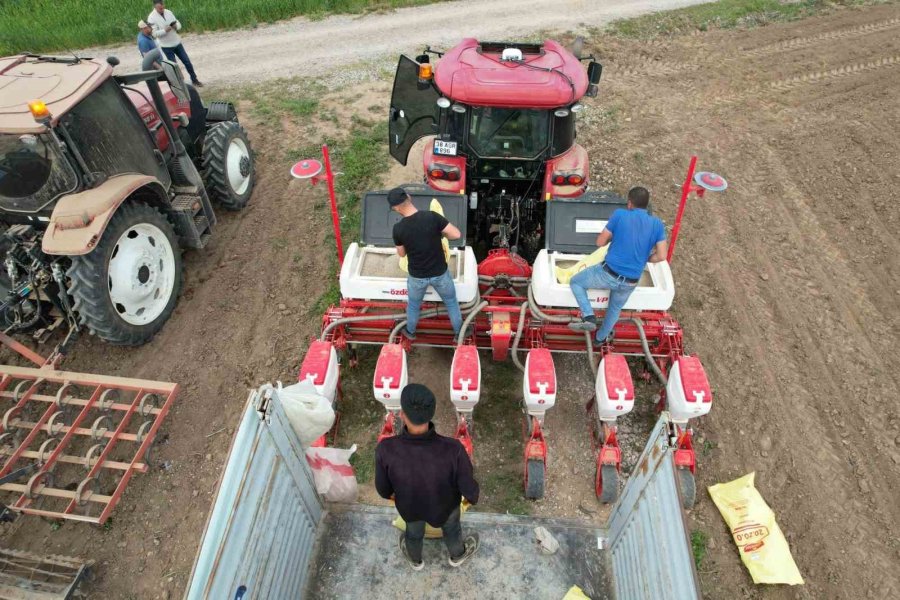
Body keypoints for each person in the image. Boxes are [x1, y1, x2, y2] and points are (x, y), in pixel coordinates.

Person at [375, 384, 480, 569]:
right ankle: (457, 556)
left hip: (410, 508)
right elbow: (469, 488)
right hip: (446, 508)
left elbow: (383, 490)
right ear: (430, 414)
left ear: (402, 415)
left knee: (413, 534)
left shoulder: (386, 449)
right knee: (452, 530)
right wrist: (471, 497)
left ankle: (415, 561)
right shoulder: (453, 449)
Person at [568, 186, 668, 344]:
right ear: (646, 205)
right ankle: (600, 339)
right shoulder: (657, 224)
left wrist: (614, 236)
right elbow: (662, 255)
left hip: (607, 274)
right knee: (614, 309)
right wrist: (647, 259)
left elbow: (600, 242)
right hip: (631, 281)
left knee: (576, 282)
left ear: (629, 203)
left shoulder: (620, 215)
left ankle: (589, 316)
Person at [389, 187, 465, 340]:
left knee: (413, 305)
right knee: (451, 302)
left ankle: (410, 332)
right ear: (409, 197)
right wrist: (441, 234)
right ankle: (459, 334)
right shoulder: (432, 217)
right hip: (440, 274)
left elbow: (402, 254)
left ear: (395, 208)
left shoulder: (398, 229)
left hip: (417, 277)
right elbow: (456, 234)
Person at [147, 1, 202, 86]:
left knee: (187, 61)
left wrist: (176, 26)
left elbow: (178, 23)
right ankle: (180, 85)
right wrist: (165, 30)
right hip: (166, 46)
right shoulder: (151, 18)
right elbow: (154, 34)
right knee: (174, 67)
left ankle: (194, 79)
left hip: (177, 42)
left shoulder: (169, 12)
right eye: (160, 8)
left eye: (163, 7)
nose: (162, 9)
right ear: (155, 7)